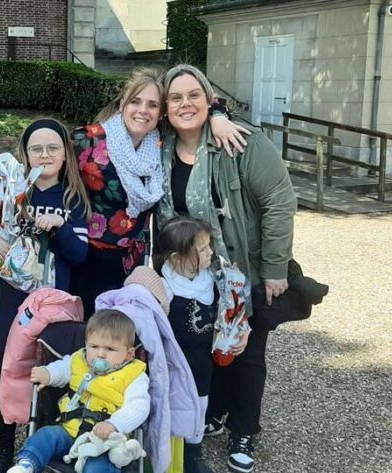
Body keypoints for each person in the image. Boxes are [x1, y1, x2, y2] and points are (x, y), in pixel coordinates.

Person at [155, 64, 297, 473]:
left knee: (247, 351)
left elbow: (279, 200)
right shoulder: (161, 147)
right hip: (192, 273)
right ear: (166, 107)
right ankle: (214, 412)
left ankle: (245, 428)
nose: (185, 104)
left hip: (239, 269)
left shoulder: (239, 142)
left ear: (208, 98)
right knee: (202, 344)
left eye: (194, 96)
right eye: (176, 97)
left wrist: (274, 268)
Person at [69, 66, 250, 315]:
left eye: (153, 105)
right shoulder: (88, 141)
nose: (143, 110)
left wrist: (217, 116)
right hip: (88, 261)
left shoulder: (160, 143)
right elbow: (46, 168)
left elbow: (202, 101)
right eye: (136, 101)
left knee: (125, 337)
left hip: (134, 264)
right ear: (123, 103)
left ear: (161, 113)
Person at [0, 118, 90, 471]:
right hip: (13, 302)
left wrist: (62, 227)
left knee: (52, 375)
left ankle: (42, 447)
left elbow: (80, 254)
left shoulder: (73, 198)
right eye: (37, 148)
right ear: (26, 154)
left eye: (53, 148)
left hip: (54, 306)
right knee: (9, 370)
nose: (45, 155)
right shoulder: (12, 192)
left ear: (66, 154)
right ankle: (3, 448)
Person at [153, 216, 248, 473]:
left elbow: (232, 310)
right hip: (175, 360)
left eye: (209, 246)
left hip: (203, 360)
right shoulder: (164, 286)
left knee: (200, 404)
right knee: (173, 405)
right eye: (202, 249)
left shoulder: (213, 281)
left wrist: (241, 331)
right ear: (176, 257)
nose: (210, 253)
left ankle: (193, 454)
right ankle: (170, 453)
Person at [8, 309, 150, 473]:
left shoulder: (133, 376)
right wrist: (48, 374)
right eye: (94, 346)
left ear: (129, 354)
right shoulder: (79, 361)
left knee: (97, 467)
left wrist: (114, 424)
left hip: (102, 443)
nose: (100, 354)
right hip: (68, 431)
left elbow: (138, 406)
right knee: (46, 435)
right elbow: (62, 369)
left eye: (110, 349)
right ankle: (27, 465)